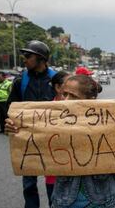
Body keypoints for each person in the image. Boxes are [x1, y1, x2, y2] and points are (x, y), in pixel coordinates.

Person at [6, 74, 115, 208]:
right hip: (63, 200)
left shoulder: (111, 122)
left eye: (73, 96)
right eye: (64, 94)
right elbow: (39, 148)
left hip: (102, 201)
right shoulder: (53, 121)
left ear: (91, 100)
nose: (66, 100)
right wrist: (17, 130)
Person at [6, 40, 57, 208]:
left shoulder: (57, 80)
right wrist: (8, 123)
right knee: (28, 185)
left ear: (41, 59)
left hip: (53, 139)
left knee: (53, 183)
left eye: (28, 56)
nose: (24, 59)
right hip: (27, 140)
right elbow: (11, 109)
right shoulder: (20, 81)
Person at [44, 71, 70, 207]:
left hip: (80, 176)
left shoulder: (86, 110)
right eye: (68, 84)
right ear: (58, 88)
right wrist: (14, 128)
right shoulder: (44, 111)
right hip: (54, 176)